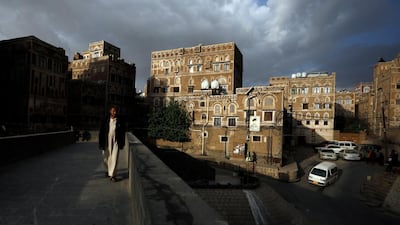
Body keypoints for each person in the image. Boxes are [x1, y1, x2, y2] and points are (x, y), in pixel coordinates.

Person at [99, 105, 126, 182]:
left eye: (115, 111)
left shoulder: (119, 120)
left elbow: (123, 132)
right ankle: (109, 170)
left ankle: (113, 175)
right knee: (106, 157)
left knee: (114, 158)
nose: (114, 112)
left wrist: (122, 143)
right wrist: (101, 144)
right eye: (113, 111)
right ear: (110, 111)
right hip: (106, 141)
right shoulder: (105, 119)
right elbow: (101, 132)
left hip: (116, 141)